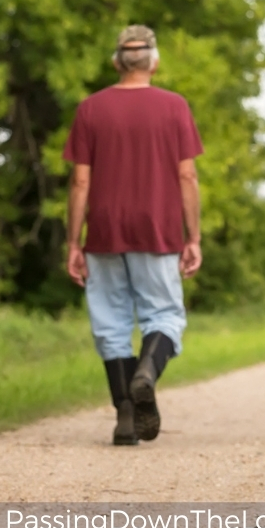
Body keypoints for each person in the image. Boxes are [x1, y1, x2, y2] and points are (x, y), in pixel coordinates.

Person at [64, 25, 204, 446]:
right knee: (164, 315)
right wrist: (192, 235)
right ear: (154, 61)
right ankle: (147, 371)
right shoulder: (174, 106)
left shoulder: (90, 109)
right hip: (158, 228)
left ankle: (125, 415)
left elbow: (79, 183)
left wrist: (74, 241)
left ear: (116, 62)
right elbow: (187, 174)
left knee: (111, 323)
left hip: (104, 229)